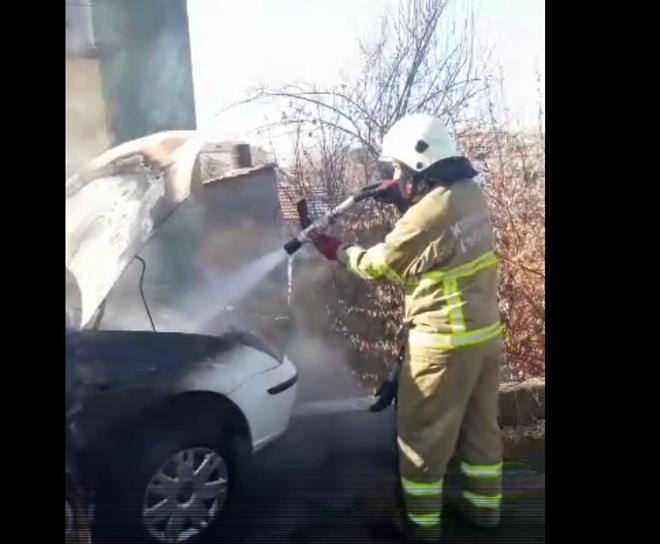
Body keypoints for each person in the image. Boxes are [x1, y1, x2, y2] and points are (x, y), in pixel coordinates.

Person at [311, 113, 504, 543]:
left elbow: (381, 265)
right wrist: (402, 197)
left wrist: (339, 250)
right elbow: (441, 241)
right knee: (480, 429)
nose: (395, 177)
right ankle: (484, 510)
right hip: (485, 337)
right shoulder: (469, 193)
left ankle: (421, 527)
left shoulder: (426, 216)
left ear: (420, 170)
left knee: (422, 441)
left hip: (443, 346)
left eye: (399, 170)